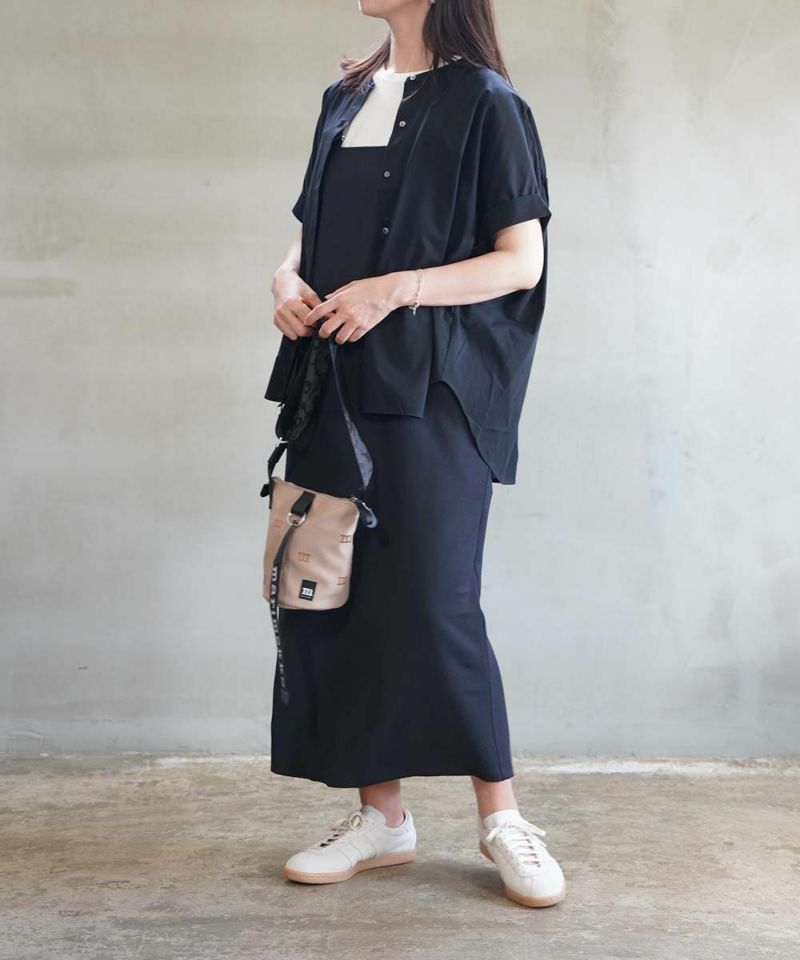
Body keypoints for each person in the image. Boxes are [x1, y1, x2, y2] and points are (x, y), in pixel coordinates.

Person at [264, 0, 565, 908]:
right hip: (332, 381)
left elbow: (520, 261)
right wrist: (285, 277)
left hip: (433, 393)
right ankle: (382, 819)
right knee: (337, 592)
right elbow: (313, 226)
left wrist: (398, 289)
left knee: (437, 599)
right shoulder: (345, 96)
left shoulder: (488, 104)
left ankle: (503, 820)